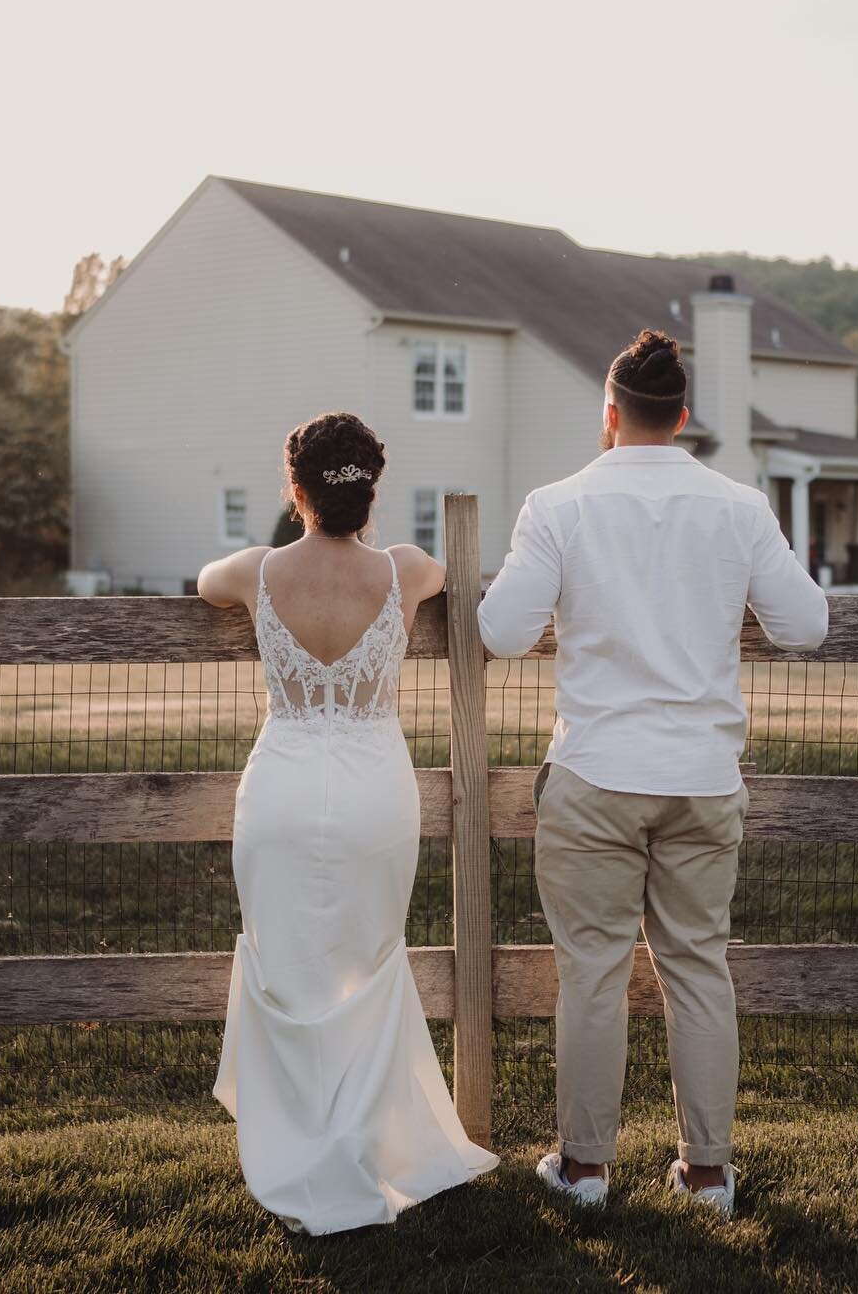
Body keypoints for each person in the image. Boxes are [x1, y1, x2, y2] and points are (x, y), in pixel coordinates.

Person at [477, 330, 829, 1216]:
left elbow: (502, 631)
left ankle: (586, 1170)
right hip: (703, 777)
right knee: (698, 966)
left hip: (595, 769)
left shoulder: (557, 506)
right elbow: (805, 624)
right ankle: (708, 1175)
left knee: (592, 972)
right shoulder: (739, 507)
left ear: (609, 414)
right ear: (682, 417)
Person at [198, 410, 498, 1236]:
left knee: (286, 965)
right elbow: (443, 572)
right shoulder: (403, 570)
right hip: (374, 787)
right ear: (371, 489)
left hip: (285, 784)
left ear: (296, 489)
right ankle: (356, 1153)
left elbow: (203, 581)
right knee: (366, 963)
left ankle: (297, 1158)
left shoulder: (257, 571)